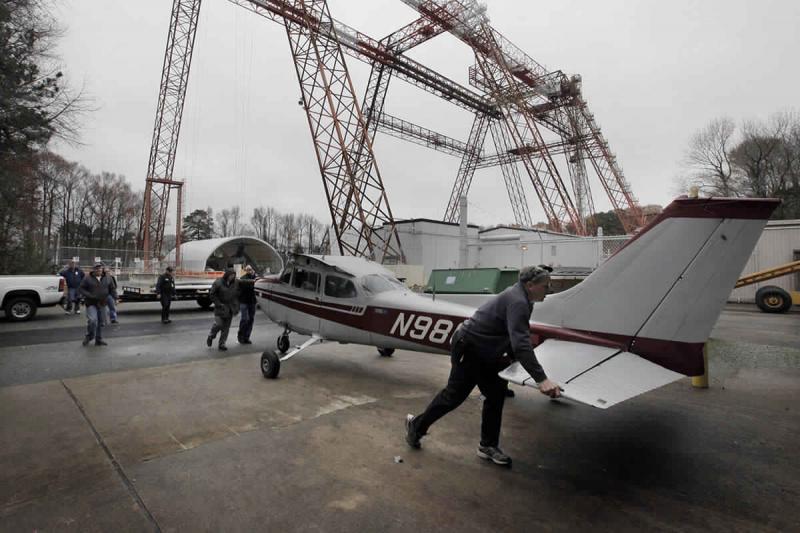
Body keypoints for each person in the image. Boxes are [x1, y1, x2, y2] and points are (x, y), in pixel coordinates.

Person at [405, 265, 561, 468]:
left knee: (496, 396)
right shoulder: (518, 301)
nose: (549, 290)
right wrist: (541, 379)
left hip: (488, 352)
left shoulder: (524, 298)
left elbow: (512, 332)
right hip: (470, 349)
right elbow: (521, 342)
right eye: (545, 286)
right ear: (530, 285)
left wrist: (513, 360)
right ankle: (416, 427)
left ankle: (487, 446)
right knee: (453, 397)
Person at [79, 262, 117, 346]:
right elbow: (81, 288)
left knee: (101, 322)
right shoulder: (87, 278)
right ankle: (89, 336)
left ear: (102, 269)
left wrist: (115, 298)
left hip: (103, 303)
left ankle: (98, 339)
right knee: (93, 320)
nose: (99, 270)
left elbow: (112, 288)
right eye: (97, 268)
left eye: (100, 268)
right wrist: (89, 295)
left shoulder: (108, 277)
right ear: (94, 270)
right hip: (91, 303)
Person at [207, 268, 240, 351]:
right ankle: (211, 335)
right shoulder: (218, 282)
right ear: (227, 275)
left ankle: (222, 344)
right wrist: (218, 303)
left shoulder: (236, 283)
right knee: (218, 324)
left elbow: (243, 285)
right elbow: (212, 294)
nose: (232, 277)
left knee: (226, 328)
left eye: (234, 276)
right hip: (220, 308)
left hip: (230, 308)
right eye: (231, 275)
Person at [237, 265, 258, 344]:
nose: (249, 271)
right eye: (248, 269)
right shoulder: (243, 278)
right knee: (245, 319)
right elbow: (248, 287)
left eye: (251, 269)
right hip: (244, 301)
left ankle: (247, 337)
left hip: (252, 302)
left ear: (253, 270)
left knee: (251, 320)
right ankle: (241, 336)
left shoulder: (256, 278)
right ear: (246, 270)